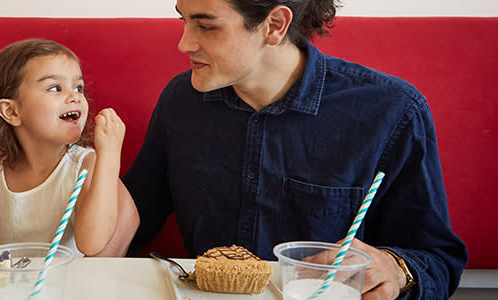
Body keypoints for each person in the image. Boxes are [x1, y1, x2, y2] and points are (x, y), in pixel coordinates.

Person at [123, 0, 467, 299]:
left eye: (206, 26)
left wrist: (396, 270)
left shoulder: (392, 111)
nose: (184, 43)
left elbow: (438, 260)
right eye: (183, 20)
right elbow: (132, 223)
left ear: (274, 25)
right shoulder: (181, 100)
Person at [0, 39, 140, 257]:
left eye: (78, 88)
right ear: (12, 112)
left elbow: (92, 243)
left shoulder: (84, 165)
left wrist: (109, 155)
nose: (75, 97)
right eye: (54, 88)